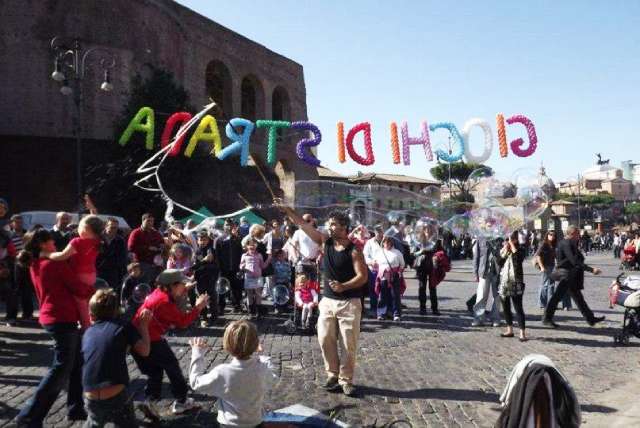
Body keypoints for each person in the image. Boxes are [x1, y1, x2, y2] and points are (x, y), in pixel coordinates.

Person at [278, 203, 367, 396]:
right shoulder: (324, 241)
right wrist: (289, 211)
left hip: (349, 302)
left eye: (333, 224)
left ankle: (346, 380)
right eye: (329, 223)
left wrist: (344, 286)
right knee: (325, 337)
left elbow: (363, 276)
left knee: (348, 344)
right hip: (327, 300)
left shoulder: (354, 250)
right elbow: (303, 224)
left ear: (344, 227)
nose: (329, 226)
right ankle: (332, 375)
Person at [15, 229, 96, 426]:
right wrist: (95, 289)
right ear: (42, 243)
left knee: (76, 362)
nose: (54, 243)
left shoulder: (35, 262)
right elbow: (76, 286)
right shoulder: (53, 263)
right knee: (61, 368)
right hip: (61, 317)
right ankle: (28, 416)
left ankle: (75, 408)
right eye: (50, 240)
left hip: (53, 317)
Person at [132, 269, 209, 417]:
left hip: (138, 336)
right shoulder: (164, 302)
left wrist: (184, 289)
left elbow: (174, 296)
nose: (184, 286)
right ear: (172, 286)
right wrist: (198, 307)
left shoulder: (159, 292)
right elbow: (182, 322)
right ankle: (182, 401)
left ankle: (150, 400)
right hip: (151, 338)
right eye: (181, 284)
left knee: (155, 371)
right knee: (172, 366)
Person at [81, 289, 151, 428]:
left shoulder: (87, 332)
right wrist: (144, 326)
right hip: (115, 393)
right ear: (117, 311)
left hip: (89, 394)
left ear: (91, 315)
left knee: (94, 420)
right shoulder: (123, 326)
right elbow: (145, 351)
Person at [189, 320, 277, 428]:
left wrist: (197, 354)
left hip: (229, 424)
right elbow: (273, 374)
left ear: (227, 344)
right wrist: (260, 354)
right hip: (255, 423)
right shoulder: (262, 368)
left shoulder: (221, 372)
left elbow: (195, 383)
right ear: (255, 344)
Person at [46, 215, 103, 330]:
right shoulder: (98, 241)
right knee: (87, 301)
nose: (77, 228)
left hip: (79, 275)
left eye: (80, 226)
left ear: (85, 228)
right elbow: (96, 222)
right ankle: (92, 323)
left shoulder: (77, 242)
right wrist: (92, 212)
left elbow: (62, 256)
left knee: (81, 303)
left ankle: (86, 328)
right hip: (91, 274)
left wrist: (47, 254)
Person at [543, 226, 605, 328]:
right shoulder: (566, 243)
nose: (579, 236)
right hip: (565, 275)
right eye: (577, 234)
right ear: (572, 233)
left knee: (579, 299)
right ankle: (547, 318)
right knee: (556, 297)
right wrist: (591, 269)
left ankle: (591, 319)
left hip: (570, 275)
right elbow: (574, 261)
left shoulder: (567, 243)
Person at [498, 231, 527, 341]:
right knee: (506, 307)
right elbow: (499, 262)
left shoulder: (520, 250)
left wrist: (513, 246)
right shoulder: (504, 250)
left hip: (516, 282)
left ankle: (522, 333)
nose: (507, 241)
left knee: (518, 307)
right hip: (504, 282)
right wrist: (505, 250)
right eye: (506, 240)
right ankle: (509, 329)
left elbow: (518, 259)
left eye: (510, 239)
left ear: (515, 239)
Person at [535, 231, 571, 312]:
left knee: (551, 285)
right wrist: (542, 267)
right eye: (550, 234)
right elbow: (538, 256)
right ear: (547, 235)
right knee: (544, 285)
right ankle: (542, 304)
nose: (552, 236)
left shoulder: (554, 245)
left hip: (552, 266)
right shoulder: (544, 244)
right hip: (545, 267)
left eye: (554, 235)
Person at [471, 237, 503, 327]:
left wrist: (498, 248)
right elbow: (476, 257)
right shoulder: (480, 239)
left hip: (496, 271)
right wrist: (475, 273)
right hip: (483, 272)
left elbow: (503, 256)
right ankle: (478, 318)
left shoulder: (500, 239)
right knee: (481, 296)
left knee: (497, 297)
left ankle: (495, 318)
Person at [215, 219, 244, 313]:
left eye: (230, 225)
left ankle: (237, 305)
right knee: (221, 288)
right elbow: (217, 255)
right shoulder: (219, 239)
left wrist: (240, 266)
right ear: (224, 226)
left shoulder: (237, 238)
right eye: (226, 224)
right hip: (223, 268)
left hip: (235, 268)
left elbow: (241, 253)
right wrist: (219, 268)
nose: (228, 226)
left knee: (236, 288)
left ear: (233, 226)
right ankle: (220, 307)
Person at [374, 236, 405, 321]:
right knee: (383, 295)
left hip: (395, 276)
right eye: (385, 242)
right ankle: (381, 313)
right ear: (383, 243)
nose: (387, 244)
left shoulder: (397, 252)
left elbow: (402, 265)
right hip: (383, 277)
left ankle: (396, 314)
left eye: (389, 242)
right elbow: (376, 265)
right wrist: (379, 269)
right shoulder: (379, 253)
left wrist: (399, 272)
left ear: (391, 243)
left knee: (395, 296)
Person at [127, 213, 165, 283]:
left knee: (156, 284)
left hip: (156, 264)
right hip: (141, 263)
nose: (151, 223)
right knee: (144, 285)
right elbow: (130, 247)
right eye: (148, 221)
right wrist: (148, 248)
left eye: (152, 221)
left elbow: (162, 242)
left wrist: (162, 246)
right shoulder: (136, 232)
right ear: (143, 220)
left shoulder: (156, 233)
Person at [192, 230, 219, 326]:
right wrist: (203, 260)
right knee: (201, 297)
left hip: (211, 277)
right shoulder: (196, 251)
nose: (202, 241)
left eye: (205, 239)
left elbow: (210, 258)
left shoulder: (211, 249)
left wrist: (202, 262)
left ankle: (214, 316)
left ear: (208, 240)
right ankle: (203, 318)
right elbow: (195, 266)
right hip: (200, 277)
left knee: (212, 297)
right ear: (197, 240)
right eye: (200, 240)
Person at [240, 237, 271, 319]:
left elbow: (263, 266)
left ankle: (259, 312)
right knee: (249, 295)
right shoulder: (244, 255)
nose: (252, 246)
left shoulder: (259, 255)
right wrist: (242, 267)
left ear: (256, 246)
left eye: (254, 245)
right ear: (246, 246)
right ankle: (251, 312)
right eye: (250, 245)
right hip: (248, 277)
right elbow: (241, 265)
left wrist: (268, 259)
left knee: (258, 295)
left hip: (258, 278)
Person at [96, 217, 128, 295]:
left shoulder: (120, 240)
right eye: (112, 227)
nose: (114, 229)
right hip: (98, 271)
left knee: (110, 295)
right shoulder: (98, 238)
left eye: (116, 228)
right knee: (97, 294)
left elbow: (122, 257)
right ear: (106, 226)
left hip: (113, 273)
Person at [288, 213, 321, 281]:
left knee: (313, 287)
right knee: (301, 287)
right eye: (304, 221)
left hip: (314, 263)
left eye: (308, 221)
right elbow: (292, 247)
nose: (306, 223)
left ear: (312, 221)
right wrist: (295, 258)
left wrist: (319, 257)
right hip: (301, 263)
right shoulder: (298, 232)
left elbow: (322, 248)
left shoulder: (318, 232)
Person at [362, 225, 383, 317]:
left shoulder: (387, 241)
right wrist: (370, 262)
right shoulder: (370, 242)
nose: (379, 233)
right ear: (375, 232)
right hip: (373, 270)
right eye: (377, 231)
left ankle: (383, 310)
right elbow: (365, 255)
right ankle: (373, 309)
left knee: (384, 290)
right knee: (373, 290)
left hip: (384, 270)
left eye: (381, 231)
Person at [271, 249, 292, 314]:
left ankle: (285, 307)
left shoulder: (287, 264)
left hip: (285, 282)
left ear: (284, 256)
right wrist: (273, 280)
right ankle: (277, 308)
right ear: (277, 257)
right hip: (278, 282)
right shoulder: (275, 265)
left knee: (285, 295)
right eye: (279, 256)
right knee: (277, 295)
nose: (281, 258)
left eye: (282, 256)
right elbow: (274, 273)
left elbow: (289, 272)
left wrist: (288, 280)